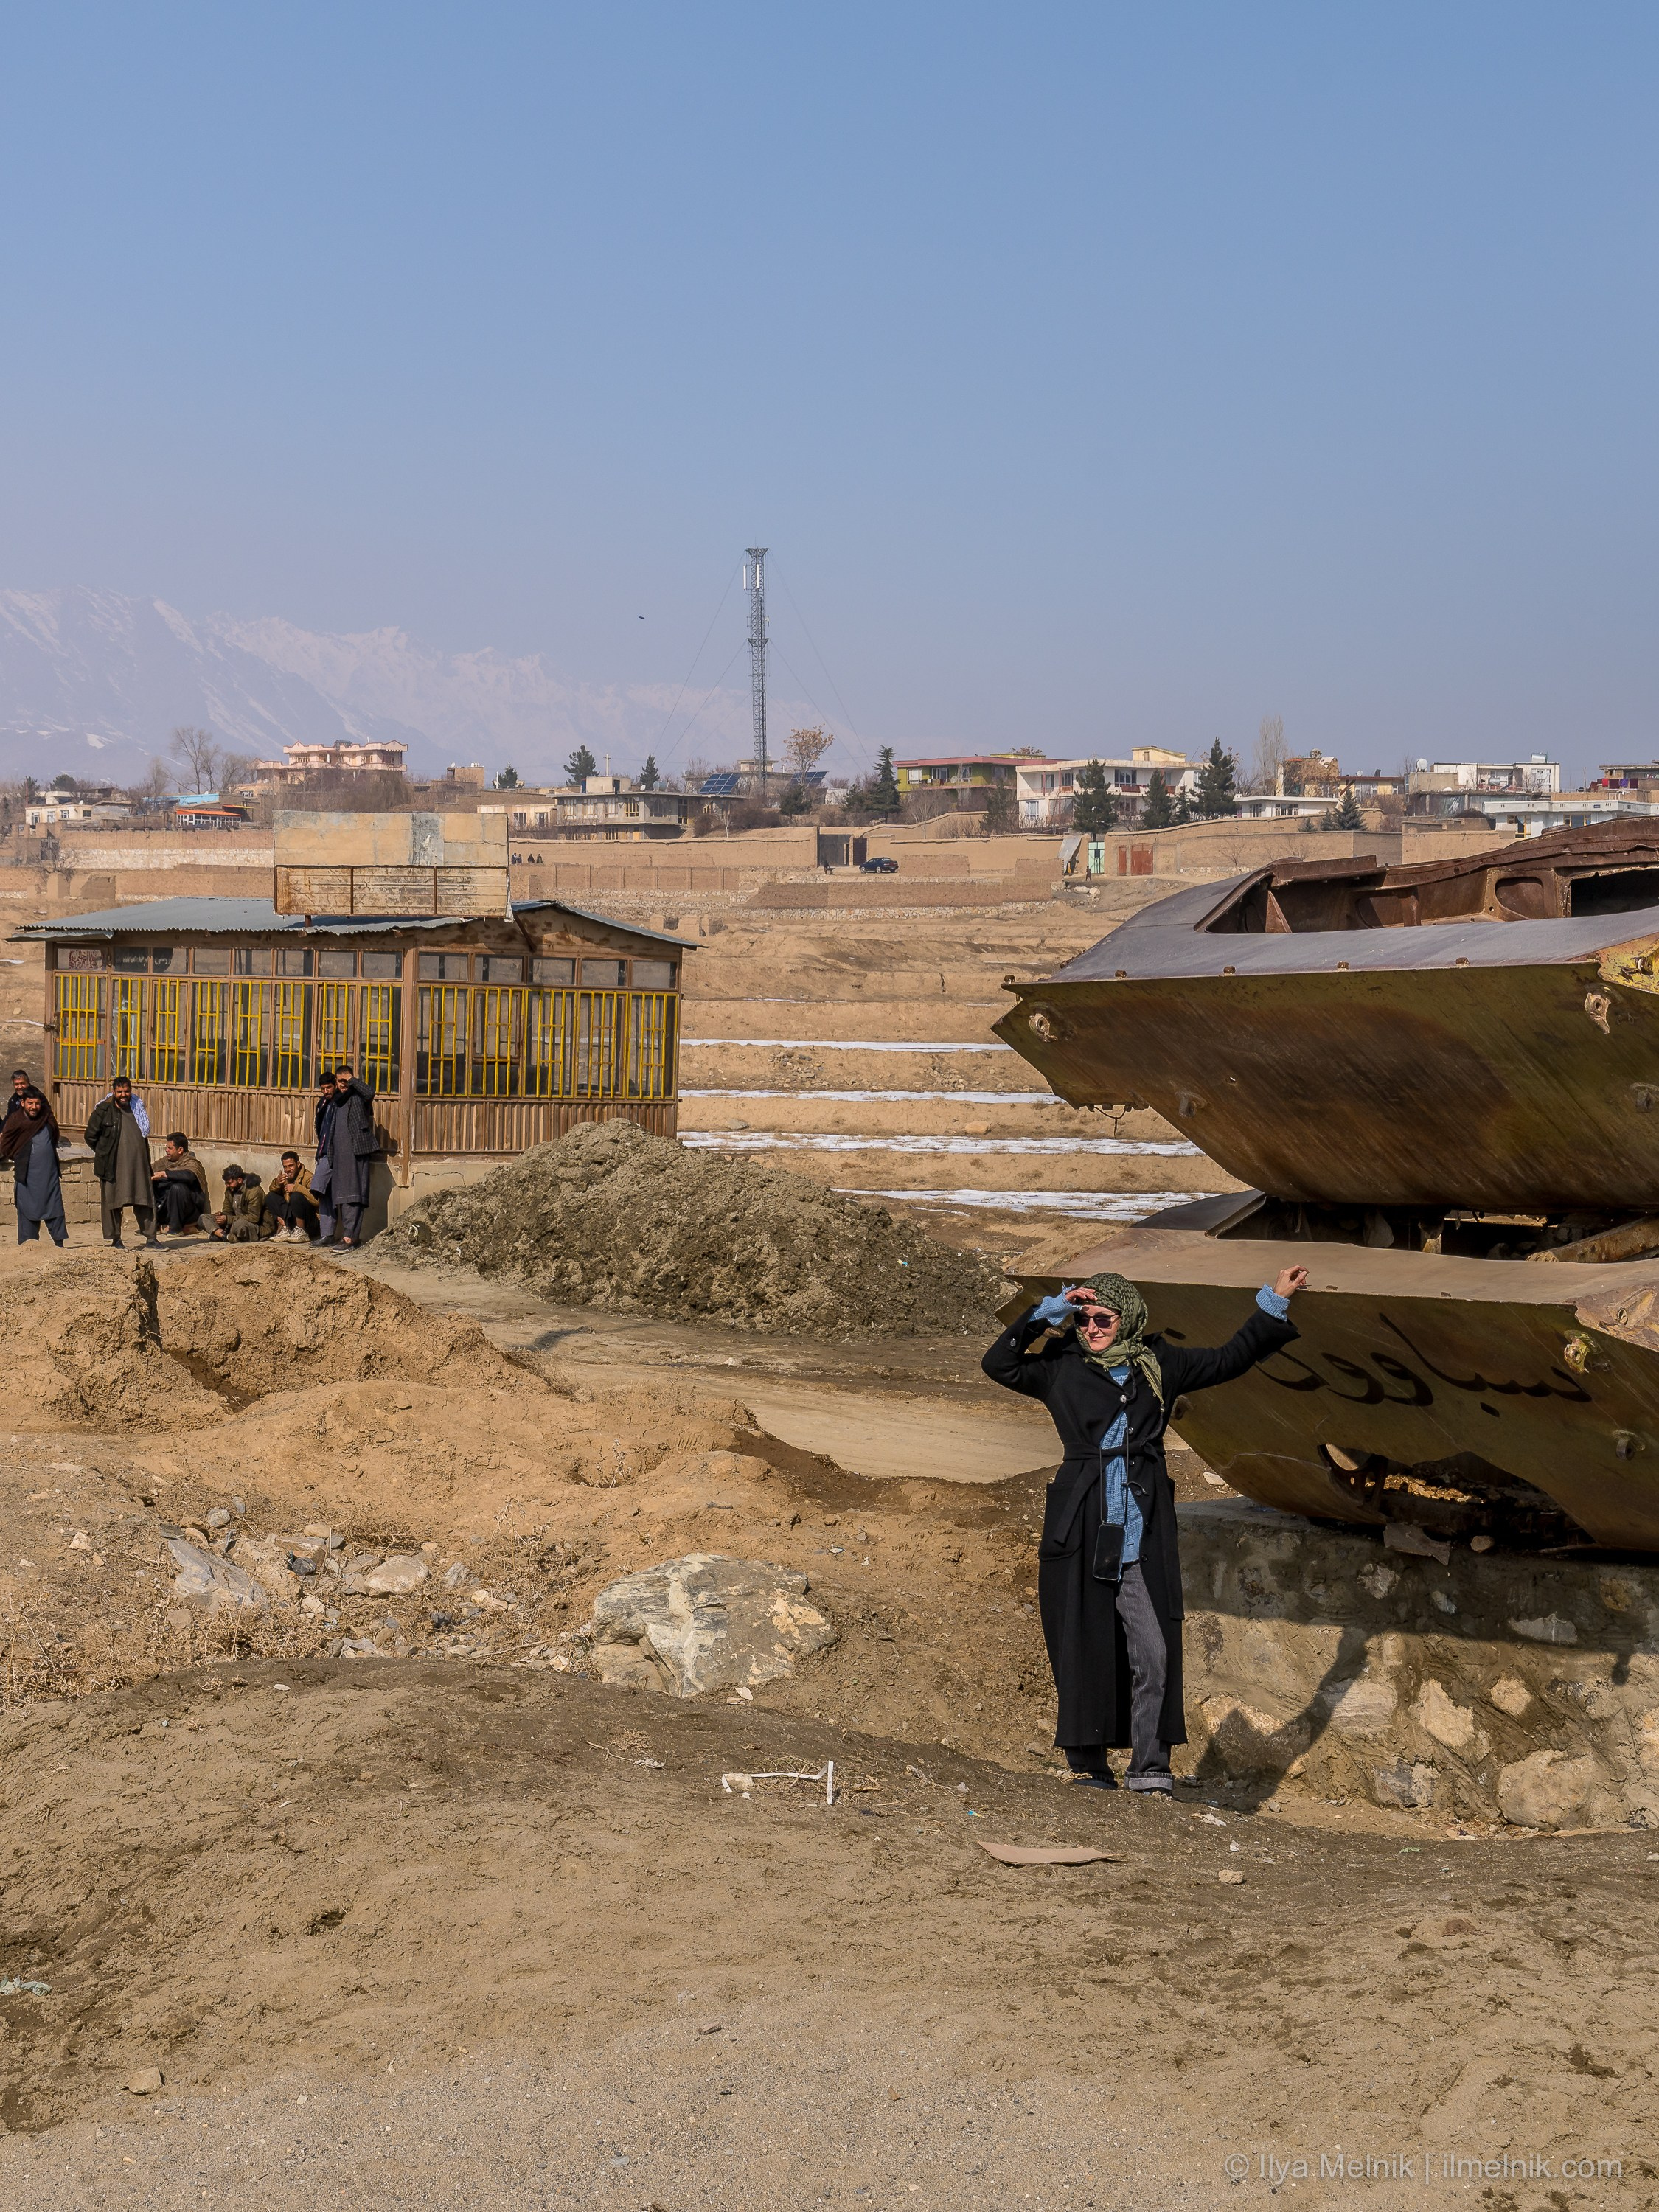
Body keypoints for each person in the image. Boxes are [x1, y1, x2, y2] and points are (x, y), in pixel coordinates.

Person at [983, 1265, 1308, 1796]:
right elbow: (997, 1363)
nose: (1091, 1328)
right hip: (1081, 1525)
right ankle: (1091, 1768)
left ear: (1127, 1318)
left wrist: (1275, 1301)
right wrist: (1048, 1313)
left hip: (1142, 1528)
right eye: (1084, 1319)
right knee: (1082, 1646)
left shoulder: (1160, 1362)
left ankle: (1149, 1768)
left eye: (1102, 1319)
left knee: (1153, 1653)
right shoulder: (1059, 1365)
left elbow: (1231, 1358)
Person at [83, 1076, 157, 1248]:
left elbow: (144, 1135)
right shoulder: (103, 1110)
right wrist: (105, 1153)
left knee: (145, 1200)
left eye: (127, 1091)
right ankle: (116, 1239)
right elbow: (90, 1136)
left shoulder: (137, 1107)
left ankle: (151, 1239)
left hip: (139, 1165)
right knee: (113, 1202)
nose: (124, 1095)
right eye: (120, 1092)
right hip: (112, 1167)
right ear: (114, 1092)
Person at [317, 1062, 376, 1247]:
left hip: (356, 1152)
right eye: (339, 1081)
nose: (342, 1085)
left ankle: (350, 1238)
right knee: (341, 1196)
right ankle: (343, 1236)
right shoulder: (336, 1101)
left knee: (354, 1195)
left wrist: (350, 1079)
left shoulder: (358, 1096)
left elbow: (370, 1092)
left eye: (345, 1081)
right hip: (339, 1156)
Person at [0, 1088, 66, 1246]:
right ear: (23, 1103)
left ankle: (59, 1245)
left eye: (37, 1103)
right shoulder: (15, 1120)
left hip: (49, 1176)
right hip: (27, 1178)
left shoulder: (47, 1117)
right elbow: (7, 1145)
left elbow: (54, 1136)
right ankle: (28, 1247)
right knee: (27, 1212)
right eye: (30, 1103)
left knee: (54, 1209)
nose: (34, 1107)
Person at [150, 1133, 209, 1236]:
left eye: (170, 1148)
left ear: (180, 1150)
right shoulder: (166, 1161)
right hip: (166, 1209)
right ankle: (154, 1226)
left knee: (177, 1188)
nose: (167, 1150)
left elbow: (189, 1175)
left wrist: (164, 1174)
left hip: (188, 1213)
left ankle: (175, 1229)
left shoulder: (191, 1162)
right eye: (166, 1147)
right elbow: (151, 1169)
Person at [209, 1164, 274, 1242]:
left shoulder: (254, 1191)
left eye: (229, 1183)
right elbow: (228, 1210)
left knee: (238, 1225)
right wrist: (222, 1216)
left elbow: (254, 1218)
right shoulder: (230, 1190)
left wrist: (228, 1219)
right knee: (204, 1218)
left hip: (256, 1226)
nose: (227, 1186)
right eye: (226, 1183)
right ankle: (226, 1236)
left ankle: (221, 1235)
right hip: (234, 1222)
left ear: (239, 1180)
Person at [265, 1150, 319, 1242]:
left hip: (311, 1221)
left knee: (296, 1196)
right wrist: (277, 1183)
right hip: (292, 1218)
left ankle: (301, 1231)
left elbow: (316, 1201)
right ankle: (286, 1229)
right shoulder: (286, 1177)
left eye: (291, 1166)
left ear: (298, 1164)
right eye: (285, 1167)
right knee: (271, 1196)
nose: (288, 1169)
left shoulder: (309, 1177)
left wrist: (296, 1188)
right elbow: (272, 1191)